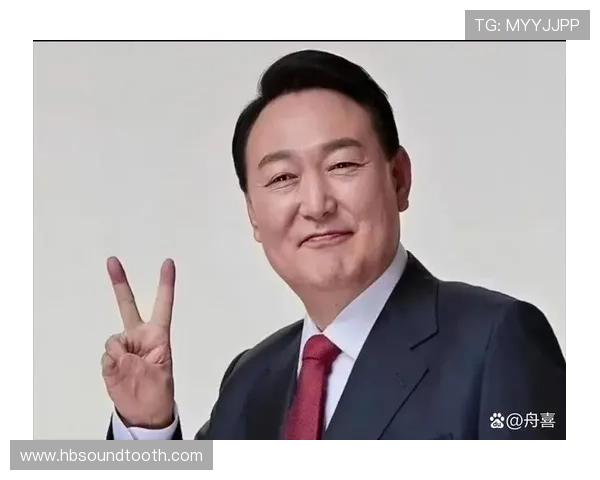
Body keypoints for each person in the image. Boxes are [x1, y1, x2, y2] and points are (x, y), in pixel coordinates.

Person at [101, 49, 567, 440]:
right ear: (253, 215)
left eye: (342, 165)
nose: (316, 204)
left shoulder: (497, 342)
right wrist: (146, 426)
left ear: (399, 178)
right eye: (282, 177)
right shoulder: (250, 379)